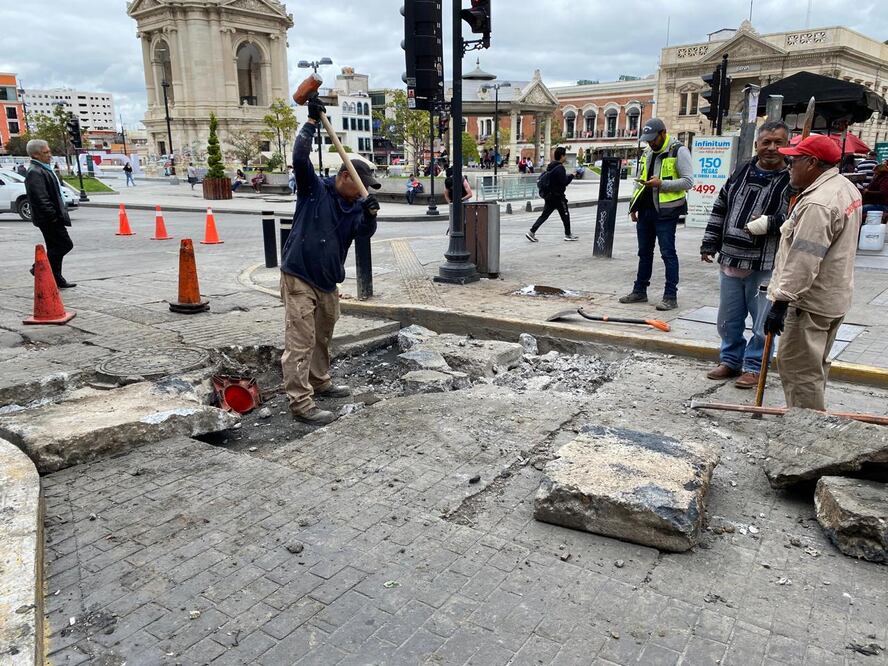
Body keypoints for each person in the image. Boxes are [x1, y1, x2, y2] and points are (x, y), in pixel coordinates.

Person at [280, 93, 380, 425]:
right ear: (344, 177)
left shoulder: (354, 208)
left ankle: (320, 382)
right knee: (301, 340)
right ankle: (300, 401)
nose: (366, 191)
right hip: (299, 276)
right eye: (363, 185)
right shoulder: (315, 190)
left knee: (323, 335)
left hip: (328, 280)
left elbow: (363, 234)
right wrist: (310, 122)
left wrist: (370, 215)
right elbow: (299, 157)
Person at [764, 134, 862, 410]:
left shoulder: (818, 204)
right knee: (814, 366)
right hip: (833, 296)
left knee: (799, 370)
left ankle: (806, 430)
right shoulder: (844, 187)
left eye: (793, 161)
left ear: (812, 163)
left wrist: (780, 303)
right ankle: (811, 421)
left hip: (809, 302)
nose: (788, 166)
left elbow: (804, 260)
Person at [700, 120, 792, 388]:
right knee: (729, 318)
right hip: (730, 258)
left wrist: (770, 223)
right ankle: (730, 361)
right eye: (767, 142)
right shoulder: (741, 171)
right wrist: (709, 243)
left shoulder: (792, 179)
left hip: (764, 263)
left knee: (763, 323)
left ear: (787, 145)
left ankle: (753, 367)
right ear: (757, 145)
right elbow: (721, 207)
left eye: (778, 142)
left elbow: (795, 217)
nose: (772, 148)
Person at [619, 118, 694, 311]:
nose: (651, 143)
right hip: (646, 210)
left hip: (666, 211)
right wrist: (633, 206)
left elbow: (688, 182)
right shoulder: (647, 152)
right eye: (648, 140)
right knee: (644, 253)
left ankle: (670, 296)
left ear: (663, 133)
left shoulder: (678, 151)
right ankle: (640, 291)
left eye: (653, 139)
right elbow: (640, 181)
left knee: (668, 253)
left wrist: (662, 184)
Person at [24, 139, 75, 289]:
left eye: (49, 151)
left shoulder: (43, 169)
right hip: (49, 219)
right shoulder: (35, 172)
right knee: (65, 245)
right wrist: (52, 216)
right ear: (35, 154)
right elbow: (41, 198)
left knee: (54, 247)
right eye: (46, 152)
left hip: (52, 217)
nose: (50, 155)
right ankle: (39, 268)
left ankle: (56, 277)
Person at [526, 146, 577, 242]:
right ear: (562, 156)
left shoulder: (551, 166)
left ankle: (531, 232)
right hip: (558, 197)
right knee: (565, 214)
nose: (565, 157)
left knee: (544, 215)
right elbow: (564, 182)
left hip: (549, 196)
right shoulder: (560, 168)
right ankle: (568, 234)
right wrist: (571, 176)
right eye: (565, 155)